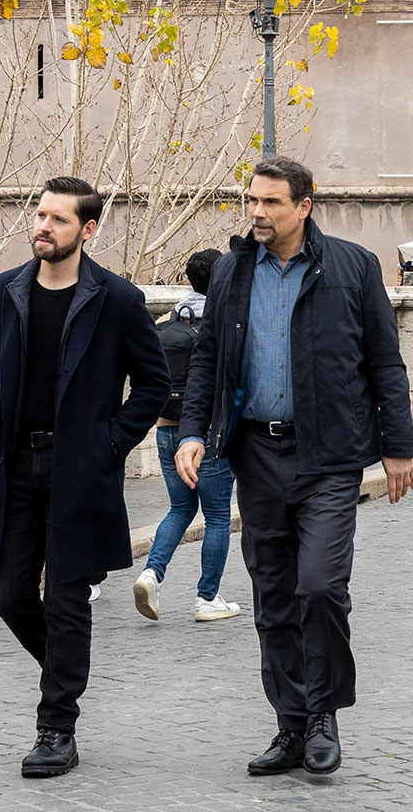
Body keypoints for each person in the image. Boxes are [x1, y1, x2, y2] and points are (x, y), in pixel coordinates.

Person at [177, 156, 413, 779]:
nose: (257, 212)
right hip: (256, 454)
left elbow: (385, 363)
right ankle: (289, 724)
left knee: (320, 587)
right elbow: (208, 358)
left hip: (330, 455)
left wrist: (399, 445)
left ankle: (323, 716)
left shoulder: (354, 268)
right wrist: (192, 432)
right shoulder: (231, 272)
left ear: (304, 206)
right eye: (251, 200)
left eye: (271, 203)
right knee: (273, 595)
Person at [0, 177, 169, 778]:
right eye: (41, 214)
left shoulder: (118, 299)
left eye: (58, 219)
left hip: (79, 470)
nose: (43, 227)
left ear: (88, 229)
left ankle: (57, 727)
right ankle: (66, 673)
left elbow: (153, 384)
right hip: (10, 465)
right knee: (8, 594)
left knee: (69, 597)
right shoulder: (6, 291)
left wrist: (109, 443)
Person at [136, 249, 240, 624]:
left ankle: (151, 574)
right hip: (207, 434)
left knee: (180, 508)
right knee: (216, 515)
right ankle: (206, 598)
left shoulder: (167, 320)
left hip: (165, 429)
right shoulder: (225, 320)